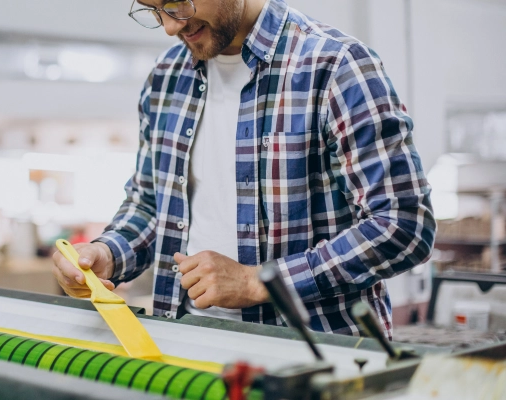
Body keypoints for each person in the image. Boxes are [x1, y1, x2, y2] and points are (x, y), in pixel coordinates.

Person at [52, 0, 435, 338]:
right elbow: (152, 206)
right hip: (188, 345)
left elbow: (403, 225)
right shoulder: (167, 76)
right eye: (152, 10)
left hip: (315, 357)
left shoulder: (334, 65)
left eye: (178, 1)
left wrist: (260, 283)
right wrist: (107, 253)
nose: (169, 26)